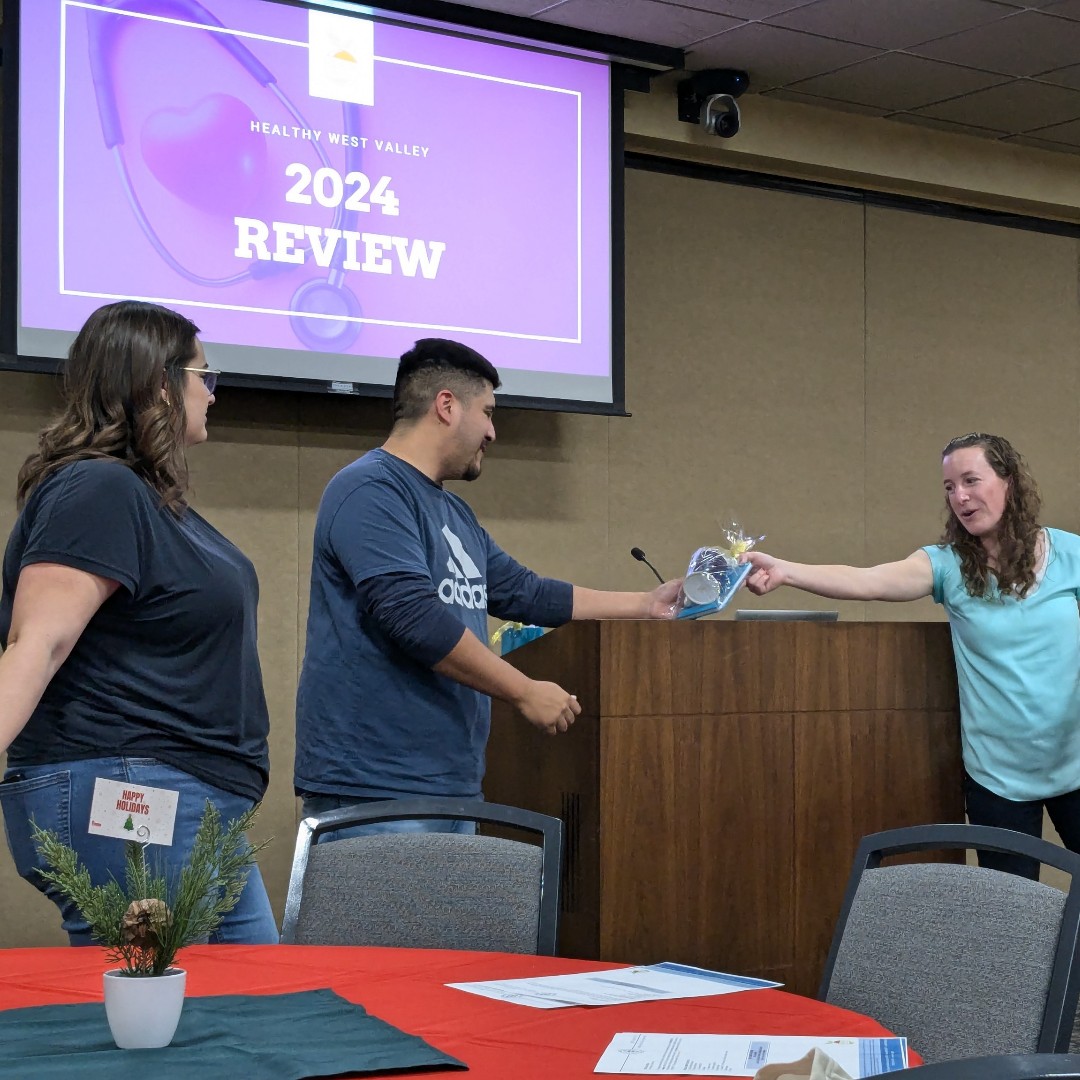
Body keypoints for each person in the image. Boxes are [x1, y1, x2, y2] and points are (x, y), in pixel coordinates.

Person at [295, 338, 682, 835]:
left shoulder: (454, 512)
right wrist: (523, 691)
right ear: (447, 406)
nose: (493, 432)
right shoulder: (370, 489)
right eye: (489, 412)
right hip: (378, 788)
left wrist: (647, 605)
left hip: (453, 786)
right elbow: (412, 618)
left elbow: (527, 592)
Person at [0, 300, 278, 944]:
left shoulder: (145, 497)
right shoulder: (98, 488)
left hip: (191, 801)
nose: (212, 394)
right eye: (203, 376)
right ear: (160, 384)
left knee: (250, 1005)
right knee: (160, 1017)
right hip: (133, 791)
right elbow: (36, 642)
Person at [741, 432, 1080, 879]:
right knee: (1013, 923)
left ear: (1009, 482)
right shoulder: (947, 564)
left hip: (1073, 763)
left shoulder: (1069, 553)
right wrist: (787, 572)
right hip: (997, 779)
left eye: (971, 481)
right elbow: (870, 581)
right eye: (949, 487)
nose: (960, 496)